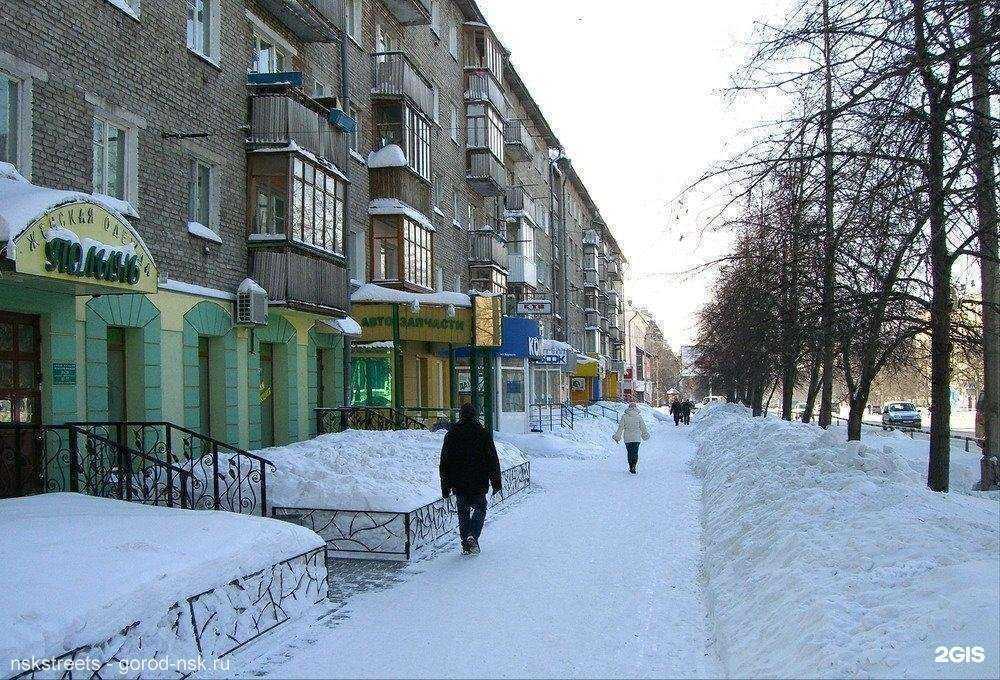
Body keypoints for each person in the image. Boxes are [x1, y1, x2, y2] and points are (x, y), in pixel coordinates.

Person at [439, 402, 502, 555]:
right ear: (475, 415)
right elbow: (492, 458)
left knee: (463, 511)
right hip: (479, 480)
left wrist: (445, 486)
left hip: (458, 481)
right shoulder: (482, 432)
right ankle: (472, 535)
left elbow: (445, 460)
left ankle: (466, 541)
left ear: (461, 415)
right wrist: (496, 482)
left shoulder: (452, 433)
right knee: (480, 508)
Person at [613, 401, 650, 474]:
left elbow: (621, 427)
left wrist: (617, 437)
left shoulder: (624, 416)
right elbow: (643, 427)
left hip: (628, 438)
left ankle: (631, 466)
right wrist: (645, 435)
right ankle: (634, 466)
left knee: (630, 452)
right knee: (635, 452)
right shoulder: (639, 417)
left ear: (629, 408)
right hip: (636, 438)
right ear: (636, 408)